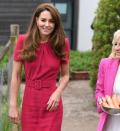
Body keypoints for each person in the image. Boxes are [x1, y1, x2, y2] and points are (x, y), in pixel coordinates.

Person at [8, 3, 70, 131]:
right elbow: (15, 76)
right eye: (43, 20)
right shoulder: (23, 41)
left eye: (51, 21)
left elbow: (65, 75)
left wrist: (57, 93)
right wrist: (13, 105)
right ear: (36, 20)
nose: (47, 25)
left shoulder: (62, 43)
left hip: (51, 103)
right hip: (30, 102)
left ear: (56, 24)